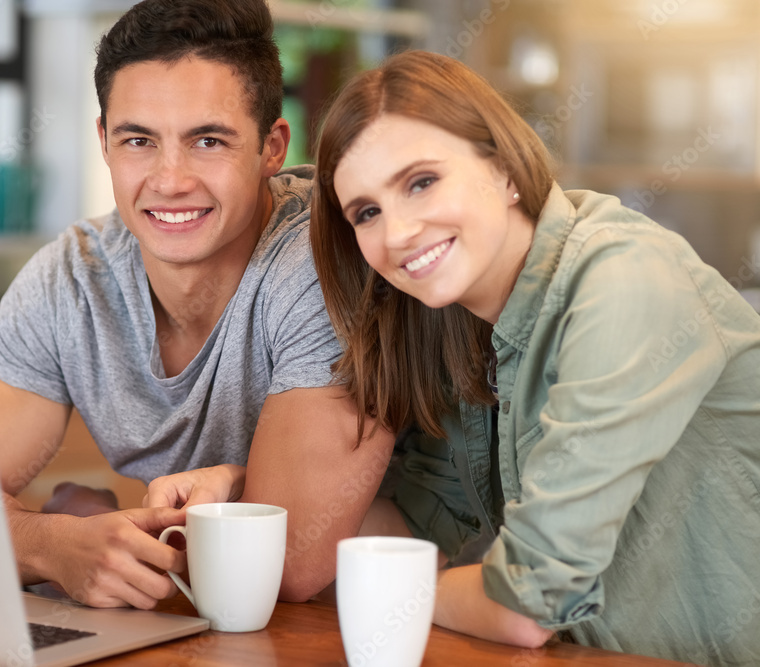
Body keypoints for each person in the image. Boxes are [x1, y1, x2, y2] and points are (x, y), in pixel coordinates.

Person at [308, 50, 760, 665]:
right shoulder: (454, 332)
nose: (396, 234)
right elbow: (409, 533)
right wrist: (247, 491)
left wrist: (410, 592)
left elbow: (526, 604)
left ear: (505, 170)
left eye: (421, 182)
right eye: (367, 213)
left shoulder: (623, 277)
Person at [0, 0, 395, 611]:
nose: (170, 180)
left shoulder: (325, 263)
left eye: (208, 140)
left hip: (395, 628)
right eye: (139, 140)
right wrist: (51, 541)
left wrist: (84, 527)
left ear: (272, 148)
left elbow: (290, 561)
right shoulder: (71, 279)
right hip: (207, 629)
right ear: (105, 143)